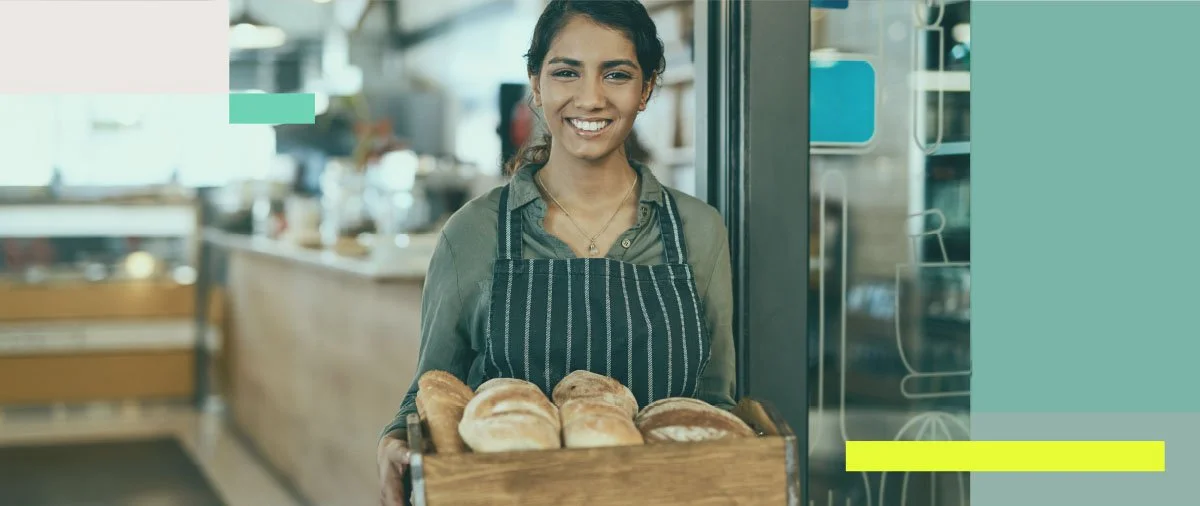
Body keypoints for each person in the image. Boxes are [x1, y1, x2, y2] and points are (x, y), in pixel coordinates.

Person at [376, 1, 735, 504]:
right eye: (567, 72)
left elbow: (715, 404)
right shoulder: (475, 231)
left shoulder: (698, 230)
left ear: (646, 89)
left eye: (616, 74)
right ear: (537, 85)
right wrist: (393, 441)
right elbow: (434, 391)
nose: (590, 98)